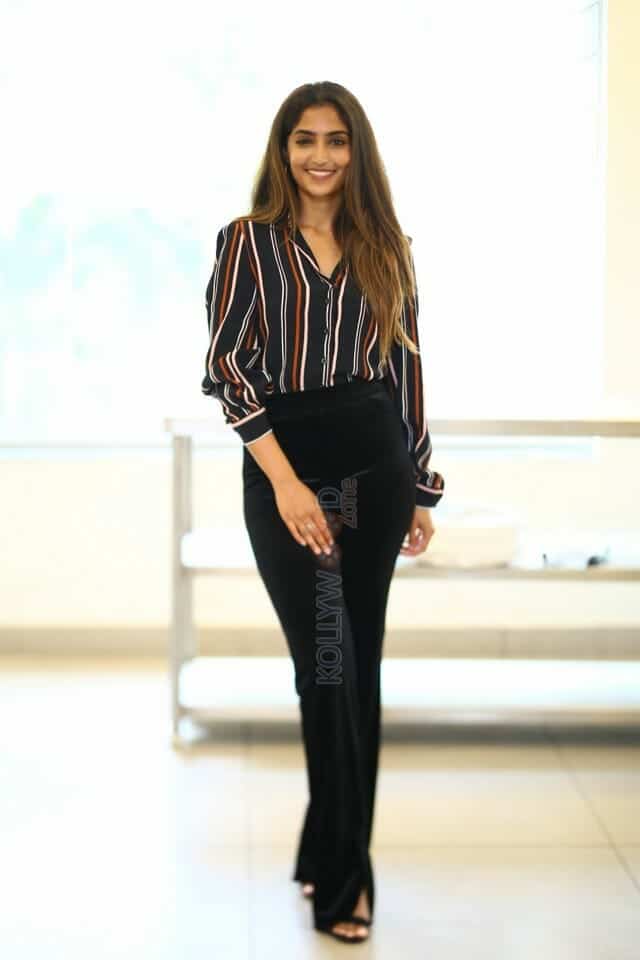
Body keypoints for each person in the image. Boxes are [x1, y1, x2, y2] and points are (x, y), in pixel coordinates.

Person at [201, 80, 445, 944]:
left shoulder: (388, 246)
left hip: (375, 464)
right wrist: (287, 484)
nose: (320, 156)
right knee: (327, 665)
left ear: (356, 151)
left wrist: (420, 484)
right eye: (304, 139)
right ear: (283, 150)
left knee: (350, 667)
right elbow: (229, 373)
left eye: (336, 140)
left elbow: (406, 370)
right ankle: (338, 865)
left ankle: (337, 865)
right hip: (287, 463)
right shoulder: (248, 243)